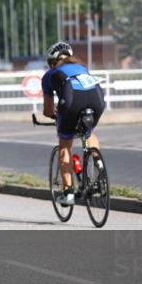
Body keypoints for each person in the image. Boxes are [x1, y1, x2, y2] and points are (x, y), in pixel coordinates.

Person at [41, 41, 106, 206]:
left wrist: (55, 115)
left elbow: (48, 109)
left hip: (72, 103)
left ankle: (68, 192)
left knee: (65, 144)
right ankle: (99, 165)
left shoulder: (50, 74)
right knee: (88, 133)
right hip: (97, 102)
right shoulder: (83, 68)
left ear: (52, 62)